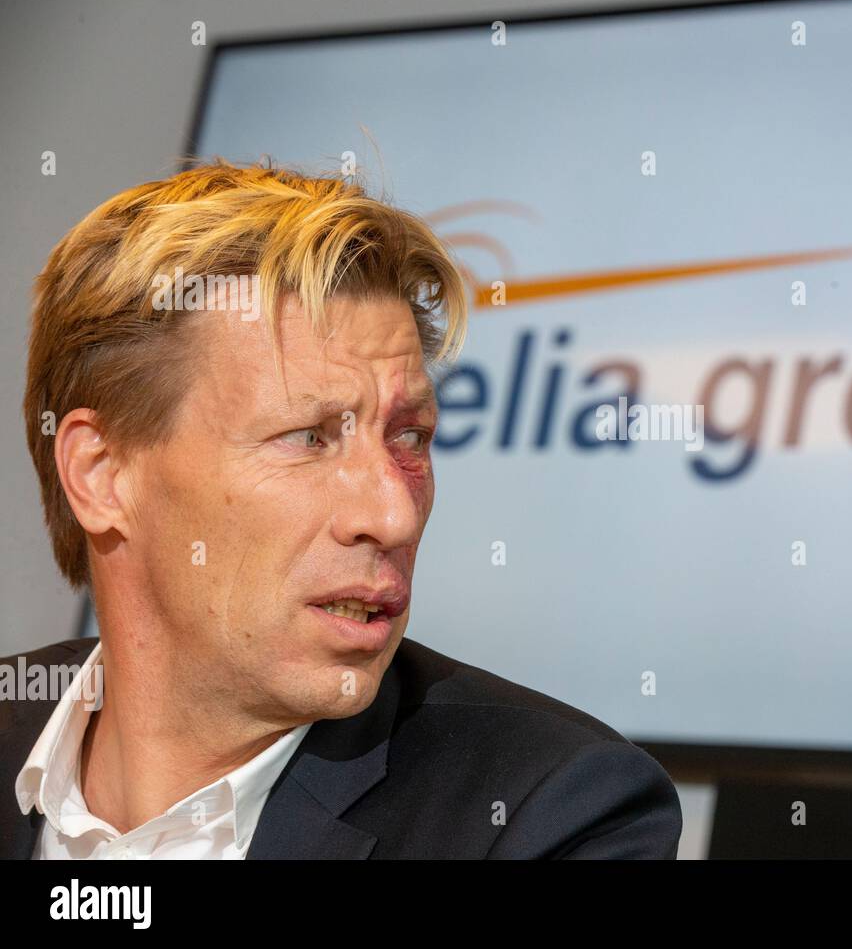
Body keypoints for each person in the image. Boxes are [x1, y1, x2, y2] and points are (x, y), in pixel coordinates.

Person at [0, 161, 682, 859]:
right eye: (309, 438)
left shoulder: (551, 816)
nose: (395, 516)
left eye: (409, 437)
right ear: (101, 474)